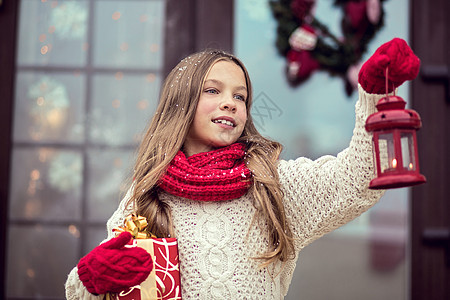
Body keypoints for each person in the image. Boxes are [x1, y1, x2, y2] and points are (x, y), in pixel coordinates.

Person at [65, 38, 420, 299]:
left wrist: (373, 95)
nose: (230, 103)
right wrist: (88, 281)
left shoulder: (271, 184)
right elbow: (99, 289)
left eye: (240, 96)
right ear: (181, 105)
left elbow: (356, 181)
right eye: (213, 90)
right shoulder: (145, 199)